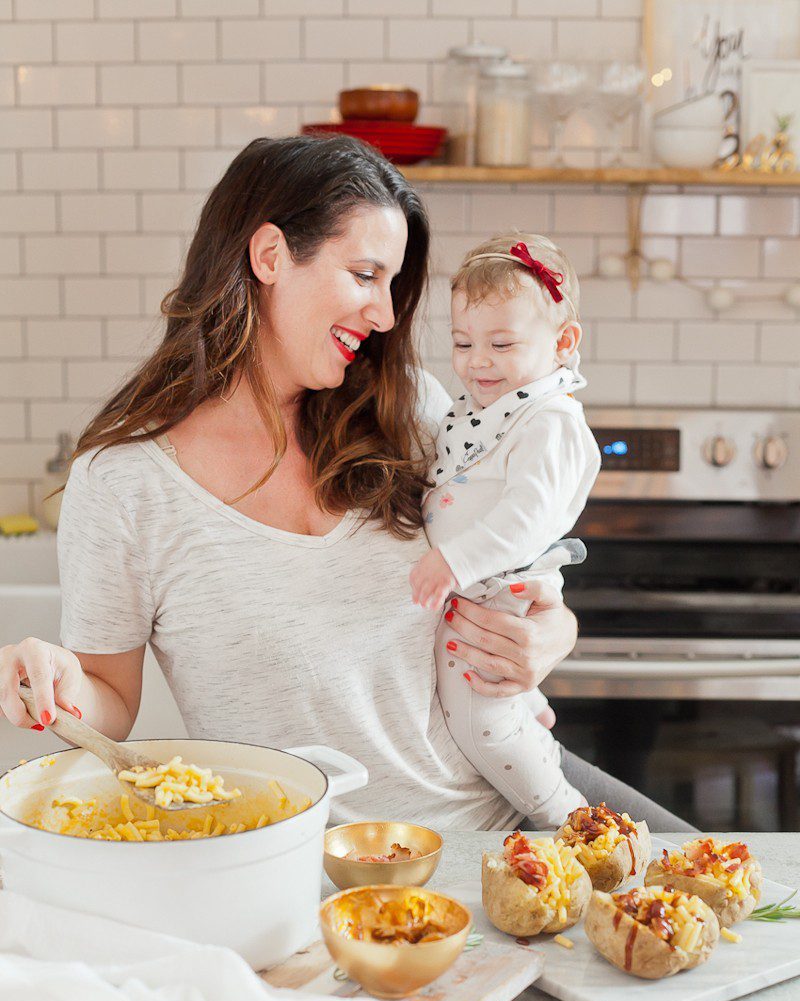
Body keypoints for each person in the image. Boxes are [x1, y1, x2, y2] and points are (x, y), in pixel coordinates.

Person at [0, 135, 695, 833]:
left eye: (393, 284)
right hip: (334, 865)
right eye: (366, 275)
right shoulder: (124, 485)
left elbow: (529, 538)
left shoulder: (417, 415)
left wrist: (554, 635)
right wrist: (54, 679)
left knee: (766, 905)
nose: (387, 315)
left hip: (519, 802)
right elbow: (111, 700)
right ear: (269, 256)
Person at [410, 232, 600, 827]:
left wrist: (455, 561)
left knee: (483, 728)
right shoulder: (481, 410)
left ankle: (566, 818)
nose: (477, 361)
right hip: (477, 586)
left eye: (502, 343)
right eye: (463, 342)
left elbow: (528, 518)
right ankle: (529, 711)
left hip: (493, 586)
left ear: (562, 343)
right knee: (490, 705)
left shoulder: (550, 419)